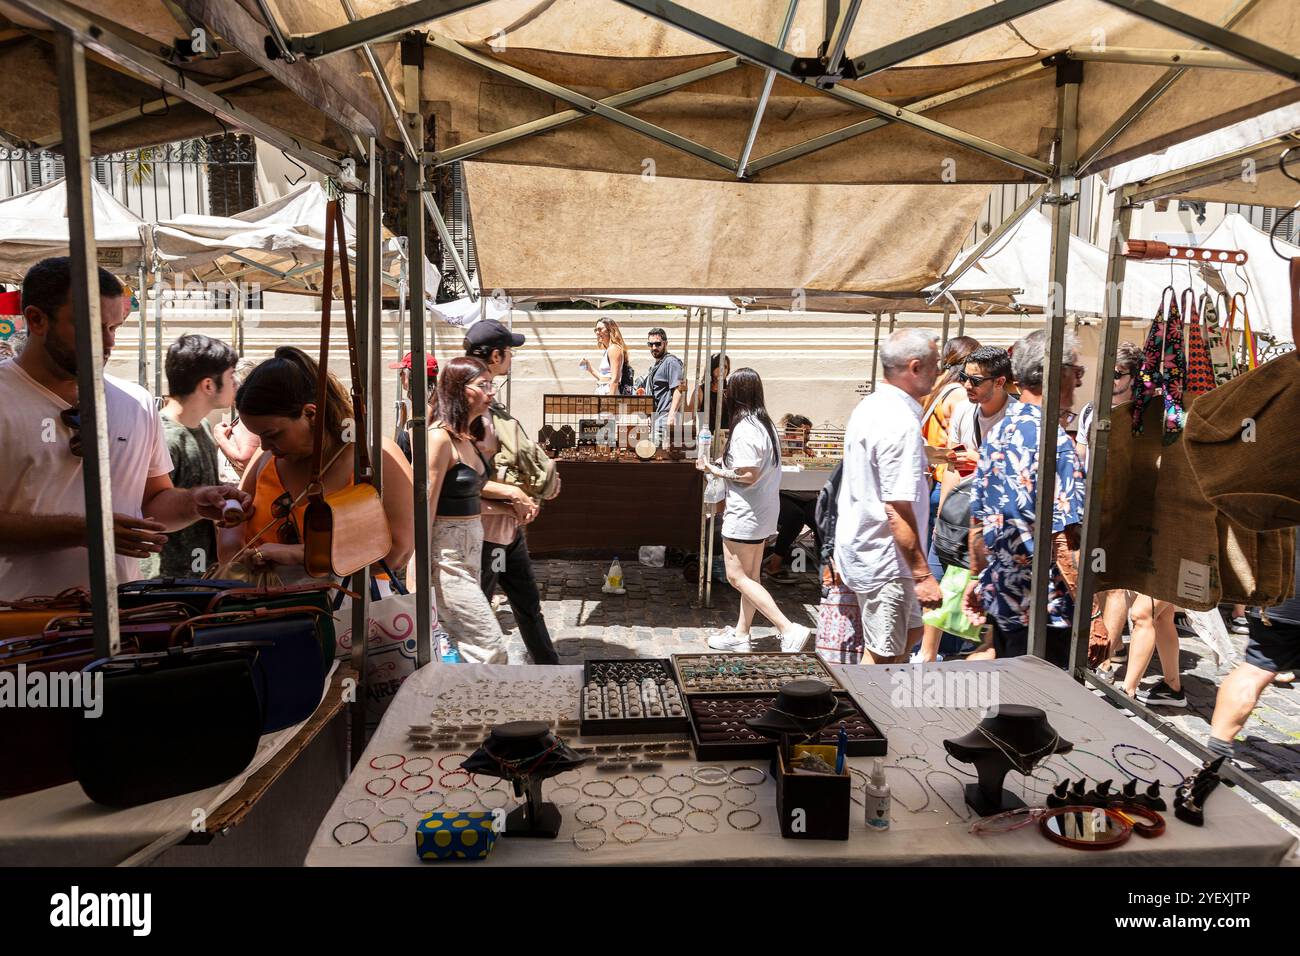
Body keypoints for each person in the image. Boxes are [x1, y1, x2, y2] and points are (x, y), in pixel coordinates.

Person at [0, 256, 250, 599]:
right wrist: (88, 530)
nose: (108, 342)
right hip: (18, 629)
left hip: (121, 620)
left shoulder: (135, 402)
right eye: (91, 327)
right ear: (36, 319)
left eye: (113, 327)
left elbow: (151, 502)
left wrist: (195, 502)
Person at [217, 346, 414, 585]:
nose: (266, 446)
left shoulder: (374, 457)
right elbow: (235, 522)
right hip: (263, 608)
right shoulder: (264, 459)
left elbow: (397, 552)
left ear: (311, 413)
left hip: (347, 610)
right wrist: (233, 549)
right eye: (260, 436)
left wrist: (298, 554)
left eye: (273, 434)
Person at [964, 329, 1085, 668]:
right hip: (1045, 612)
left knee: (1012, 704)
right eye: (1076, 372)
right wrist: (1095, 615)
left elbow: (978, 518)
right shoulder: (1055, 440)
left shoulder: (1000, 430)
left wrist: (979, 576)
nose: (1077, 382)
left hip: (1005, 601)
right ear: (1057, 373)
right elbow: (1063, 539)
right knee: (1045, 708)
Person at [834, 330, 944, 664]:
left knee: (907, 636)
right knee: (880, 659)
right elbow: (896, 509)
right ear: (914, 367)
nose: (940, 371)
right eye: (935, 364)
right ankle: (861, 715)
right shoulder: (899, 421)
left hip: (882, 555)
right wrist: (924, 576)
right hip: (886, 559)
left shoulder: (874, 406)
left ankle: (883, 710)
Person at [464, 319, 563, 665]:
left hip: (508, 530)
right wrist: (513, 499)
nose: (512, 359)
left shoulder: (487, 401)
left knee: (527, 605)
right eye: (509, 352)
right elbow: (462, 477)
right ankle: (477, 680)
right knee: (483, 610)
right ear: (495, 355)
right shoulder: (466, 404)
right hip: (488, 531)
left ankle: (550, 670)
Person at [698, 368, 812, 654]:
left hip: (746, 513)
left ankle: (787, 627)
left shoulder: (746, 427)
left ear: (737, 394)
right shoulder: (766, 424)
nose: (724, 394)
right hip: (761, 511)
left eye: (728, 389)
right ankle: (741, 633)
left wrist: (715, 470)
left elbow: (749, 474)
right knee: (751, 577)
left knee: (737, 577)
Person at [916, 345, 1013, 661]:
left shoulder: (1015, 419)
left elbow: (1020, 477)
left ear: (999, 382)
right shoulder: (962, 411)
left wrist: (981, 459)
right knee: (937, 585)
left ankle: (977, 654)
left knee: (982, 590)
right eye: (965, 378)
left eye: (976, 381)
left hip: (995, 522)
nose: (967, 386)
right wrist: (941, 517)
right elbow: (952, 470)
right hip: (957, 514)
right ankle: (926, 657)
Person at [427, 356, 518, 665]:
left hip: (470, 558)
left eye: (491, 385)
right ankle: (482, 709)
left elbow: (466, 497)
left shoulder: (468, 439)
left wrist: (505, 507)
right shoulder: (439, 439)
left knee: (472, 646)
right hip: (447, 562)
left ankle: (467, 705)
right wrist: (417, 573)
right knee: (488, 647)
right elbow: (425, 506)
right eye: (483, 386)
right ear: (457, 389)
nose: (491, 392)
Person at [158, 333, 239, 578]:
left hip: (201, 573)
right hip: (167, 582)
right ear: (208, 385)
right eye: (230, 375)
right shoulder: (165, 437)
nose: (235, 383)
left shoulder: (202, 426)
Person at [1208, 546, 1300, 759]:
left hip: (1282, 590)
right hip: (1285, 593)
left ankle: (1216, 752)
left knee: (1255, 669)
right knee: (1256, 667)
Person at [763, 413, 817, 584]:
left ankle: (826, 566)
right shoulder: (779, 448)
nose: (807, 438)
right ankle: (774, 565)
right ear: (791, 434)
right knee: (795, 517)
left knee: (822, 516)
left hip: (806, 496)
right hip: (781, 494)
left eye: (808, 434)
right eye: (803, 433)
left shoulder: (808, 453)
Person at [1075, 341, 1141, 470]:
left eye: (1116, 374)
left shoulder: (1140, 415)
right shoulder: (1089, 410)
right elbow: (1081, 453)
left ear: (1134, 377)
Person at [213, 359, 262, 481]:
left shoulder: (250, 417)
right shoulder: (246, 415)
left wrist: (220, 438)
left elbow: (245, 460)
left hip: (240, 495)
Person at [389, 350, 439, 464]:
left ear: (411, 376)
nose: (400, 375)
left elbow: (418, 460)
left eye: (402, 372)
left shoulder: (421, 410)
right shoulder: (436, 403)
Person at [641, 326, 685, 444]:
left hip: (665, 419)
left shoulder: (670, 362)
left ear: (665, 343)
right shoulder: (658, 364)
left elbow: (679, 390)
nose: (654, 347)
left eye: (657, 344)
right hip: (657, 419)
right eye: (650, 344)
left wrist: (671, 416)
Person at [580, 317, 632, 395]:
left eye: (600, 329)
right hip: (604, 389)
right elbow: (604, 378)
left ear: (610, 330)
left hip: (609, 392)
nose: (597, 332)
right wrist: (589, 368)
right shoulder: (608, 350)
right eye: (596, 330)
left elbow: (615, 380)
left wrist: (610, 401)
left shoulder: (614, 348)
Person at [690, 352, 730, 417]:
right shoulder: (701, 390)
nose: (723, 369)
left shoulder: (731, 390)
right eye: (719, 366)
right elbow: (689, 416)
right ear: (712, 367)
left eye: (725, 367)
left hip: (727, 427)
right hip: (705, 427)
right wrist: (683, 393)